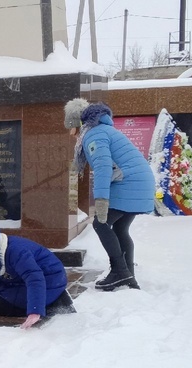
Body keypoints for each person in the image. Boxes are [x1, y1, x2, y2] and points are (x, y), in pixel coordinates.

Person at [64, 99, 155, 290]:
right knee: (120, 229)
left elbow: (103, 167)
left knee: (101, 223)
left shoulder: (93, 135)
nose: (69, 133)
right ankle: (127, 275)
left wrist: (101, 201)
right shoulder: (102, 130)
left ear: (77, 124)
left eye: (70, 127)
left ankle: (120, 272)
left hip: (129, 182)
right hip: (138, 182)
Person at [0, 225, 75, 330]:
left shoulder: (16, 252)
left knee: (0, 306)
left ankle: (54, 303)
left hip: (50, 280)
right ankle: (42, 301)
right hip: (20, 281)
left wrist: (35, 311)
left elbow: (34, 278)